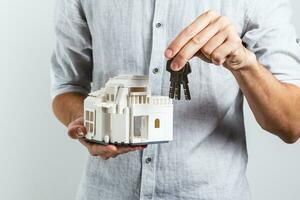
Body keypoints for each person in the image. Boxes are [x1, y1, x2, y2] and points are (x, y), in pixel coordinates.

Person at [51, 0, 300, 199]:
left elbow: (291, 125)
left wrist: (243, 63)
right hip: (105, 191)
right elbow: (67, 85)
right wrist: (89, 121)